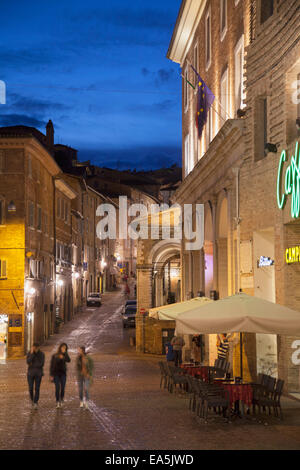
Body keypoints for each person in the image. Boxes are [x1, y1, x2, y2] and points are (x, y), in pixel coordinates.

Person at [50, 343, 71, 408]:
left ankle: (61, 399)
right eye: (62, 347)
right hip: (56, 374)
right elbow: (52, 365)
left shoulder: (65, 355)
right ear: (60, 347)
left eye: (65, 348)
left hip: (63, 374)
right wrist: (51, 375)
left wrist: (65, 354)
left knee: (63, 388)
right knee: (57, 388)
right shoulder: (55, 355)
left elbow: (68, 360)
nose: (63, 349)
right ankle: (57, 401)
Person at [26, 342, 45, 409]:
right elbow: (28, 361)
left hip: (38, 374)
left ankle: (35, 402)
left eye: (36, 347)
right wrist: (32, 354)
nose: (35, 349)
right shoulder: (30, 353)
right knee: (30, 388)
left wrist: (33, 364)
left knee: (37, 388)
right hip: (30, 374)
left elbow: (41, 364)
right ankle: (32, 400)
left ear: (38, 347)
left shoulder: (42, 354)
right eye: (33, 347)